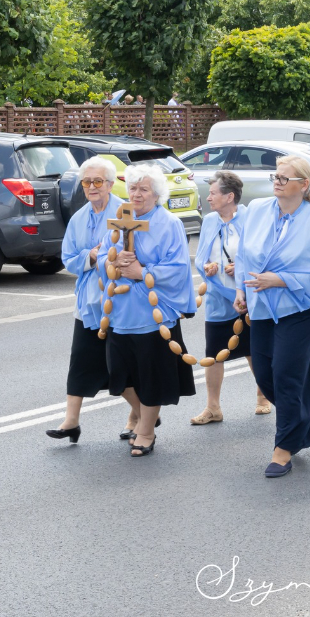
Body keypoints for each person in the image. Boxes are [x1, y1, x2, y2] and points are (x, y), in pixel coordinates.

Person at [235, 155, 310, 478]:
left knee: (287, 376)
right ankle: (303, 425)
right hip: (262, 307)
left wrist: (280, 279)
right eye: (275, 177)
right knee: (265, 374)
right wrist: (241, 292)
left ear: (303, 186)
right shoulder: (258, 211)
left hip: (301, 310)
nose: (276, 182)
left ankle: (283, 450)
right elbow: (243, 254)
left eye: (284, 178)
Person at [97, 163, 197, 458]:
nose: (136, 194)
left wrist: (142, 270)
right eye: (132, 188)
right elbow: (104, 252)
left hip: (153, 313)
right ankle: (144, 414)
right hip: (120, 310)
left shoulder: (169, 223)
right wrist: (111, 264)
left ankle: (147, 431)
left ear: (156, 194)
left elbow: (178, 268)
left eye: (143, 189)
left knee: (151, 376)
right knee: (120, 375)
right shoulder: (120, 219)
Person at [47, 157, 127, 444]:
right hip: (88, 303)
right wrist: (91, 256)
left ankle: (141, 415)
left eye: (98, 181)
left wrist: (106, 255)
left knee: (120, 363)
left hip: (120, 301)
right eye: (86, 182)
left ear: (110, 183)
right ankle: (71, 421)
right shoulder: (79, 217)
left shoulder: (125, 212)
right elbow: (68, 258)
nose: (92, 187)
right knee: (80, 359)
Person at [189, 171, 272, 426]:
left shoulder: (251, 219)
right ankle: (213, 408)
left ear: (230, 196)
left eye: (213, 193)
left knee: (252, 350)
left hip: (247, 296)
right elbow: (201, 258)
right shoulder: (211, 220)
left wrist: (242, 268)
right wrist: (209, 267)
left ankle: (263, 395)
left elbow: (263, 255)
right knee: (214, 353)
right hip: (217, 296)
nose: (209, 197)